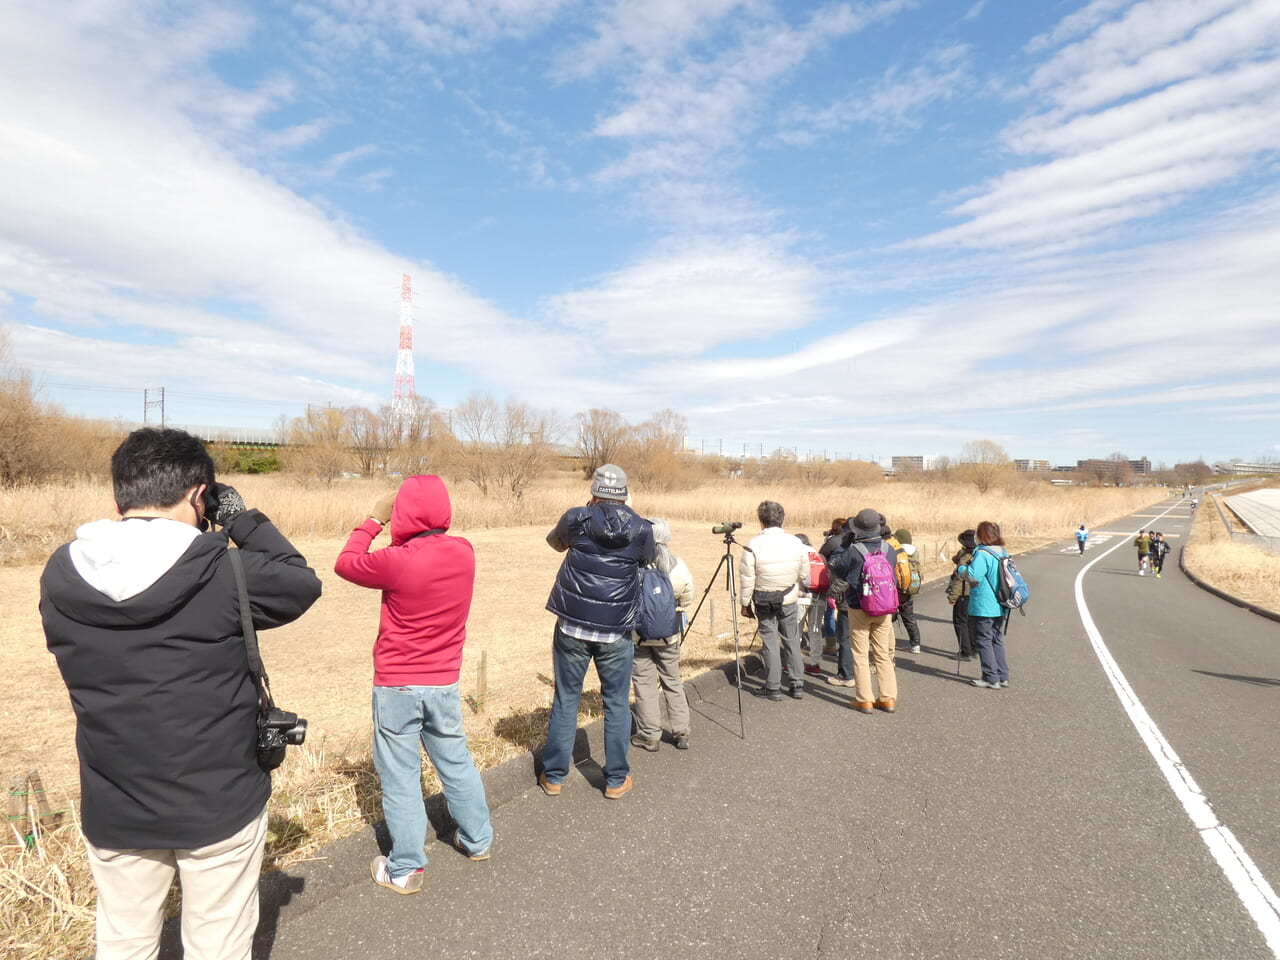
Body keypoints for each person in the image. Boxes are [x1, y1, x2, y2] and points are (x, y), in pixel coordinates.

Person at [40, 427, 322, 960]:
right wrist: (239, 517)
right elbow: (299, 581)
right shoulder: (222, 568)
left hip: (114, 796)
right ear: (200, 495)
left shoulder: (61, 572)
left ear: (120, 495)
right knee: (216, 943)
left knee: (123, 941)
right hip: (218, 799)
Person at [334, 475, 493, 895]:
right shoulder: (464, 552)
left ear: (401, 513)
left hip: (397, 686)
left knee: (402, 776)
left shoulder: (397, 559)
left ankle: (404, 868)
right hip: (444, 682)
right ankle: (478, 840)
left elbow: (345, 563)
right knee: (455, 761)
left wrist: (373, 520)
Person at [542, 464, 656, 799]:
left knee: (566, 700)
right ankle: (616, 780)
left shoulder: (577, 518)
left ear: (594, 490)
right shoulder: (641, 528)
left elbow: (555, 543)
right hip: (615, 630)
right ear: (624, 493)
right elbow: (646, 560)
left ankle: (554, 777)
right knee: (617, 703)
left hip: (572, 625)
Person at [630, 518, 694, 751]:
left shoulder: (634, 565)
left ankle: (649, 735)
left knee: (644, 684)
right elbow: (688, 596)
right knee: (672, 681)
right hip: (669, 635)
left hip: (639, 635)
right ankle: (681, 732)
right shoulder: (678, 566)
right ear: (667, 537)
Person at [828, 508, 900, 714]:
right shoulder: (889, 549)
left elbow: (835, 566)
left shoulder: (853, 551)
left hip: (859, 607)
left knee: (860, 654)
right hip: (885, 609)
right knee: (883, 654)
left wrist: (844, 544)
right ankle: (888, 698)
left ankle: (865, 699)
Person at [739, 500, 810, 701]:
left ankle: (773, 687)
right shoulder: (796, 542)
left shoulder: (753, 544)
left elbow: (747, 578)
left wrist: (744, 604)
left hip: (763, 598)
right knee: (792, 640)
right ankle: (797, 684)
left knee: (770, 642)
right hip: (788, 597)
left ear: (761, 520)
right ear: (782, 519)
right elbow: (804, 571)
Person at [958, 520, 1011, 690]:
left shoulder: (983, 554)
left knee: (984, 640)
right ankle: (1002, 676)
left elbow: (973, 576)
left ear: (981, 536)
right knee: (996, 639)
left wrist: (960, 570)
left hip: (984, 605)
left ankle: (990, 677)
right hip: (1000, 603)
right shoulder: (1003, 552)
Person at [819, 518, 853, 686]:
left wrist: (832, 594)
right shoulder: (879, 546)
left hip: (847, 600)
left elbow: (824, 560)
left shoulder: (842, 547)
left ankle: (846, 675)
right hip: (872, 600)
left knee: (845, 638)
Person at [796, 533, 828, 677]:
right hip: (819, 598)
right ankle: (815, 664)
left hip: (801, 597)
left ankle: (794, 663)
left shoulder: (797, 555)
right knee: (815, 631)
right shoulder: (820, 556)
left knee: (796, 630)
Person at [888, 526, 922, 653]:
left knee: (889, 618)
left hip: (896, 589)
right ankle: (915, 644)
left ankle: (887, 643)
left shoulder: (897, 551)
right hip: (909, 589)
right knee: (909, 618)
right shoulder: (915, 552)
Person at [946, 529, 978, 661]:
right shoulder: (977, 555)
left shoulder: (965, 558)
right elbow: (955, 559)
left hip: (963, 594)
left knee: (960, 622)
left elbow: (960, 579)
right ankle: (973, 648)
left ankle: (965, 651)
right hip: (974, 593)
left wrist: (953, 597)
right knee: (970, 622)